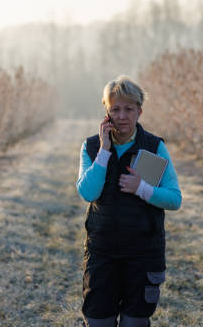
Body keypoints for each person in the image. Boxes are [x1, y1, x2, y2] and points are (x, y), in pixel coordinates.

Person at [76, 75, 182, 327]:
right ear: (106, 111)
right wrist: (104, 151)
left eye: (128, 109)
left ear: (139, 111)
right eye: (115, 109)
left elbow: (174, 199)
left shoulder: (154, 147)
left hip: (143, 254)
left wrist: (142, 189)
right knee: (98, 321)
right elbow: (87, 193)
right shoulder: (91, 147)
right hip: (102, 254)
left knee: (135, 323)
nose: (122, 115)